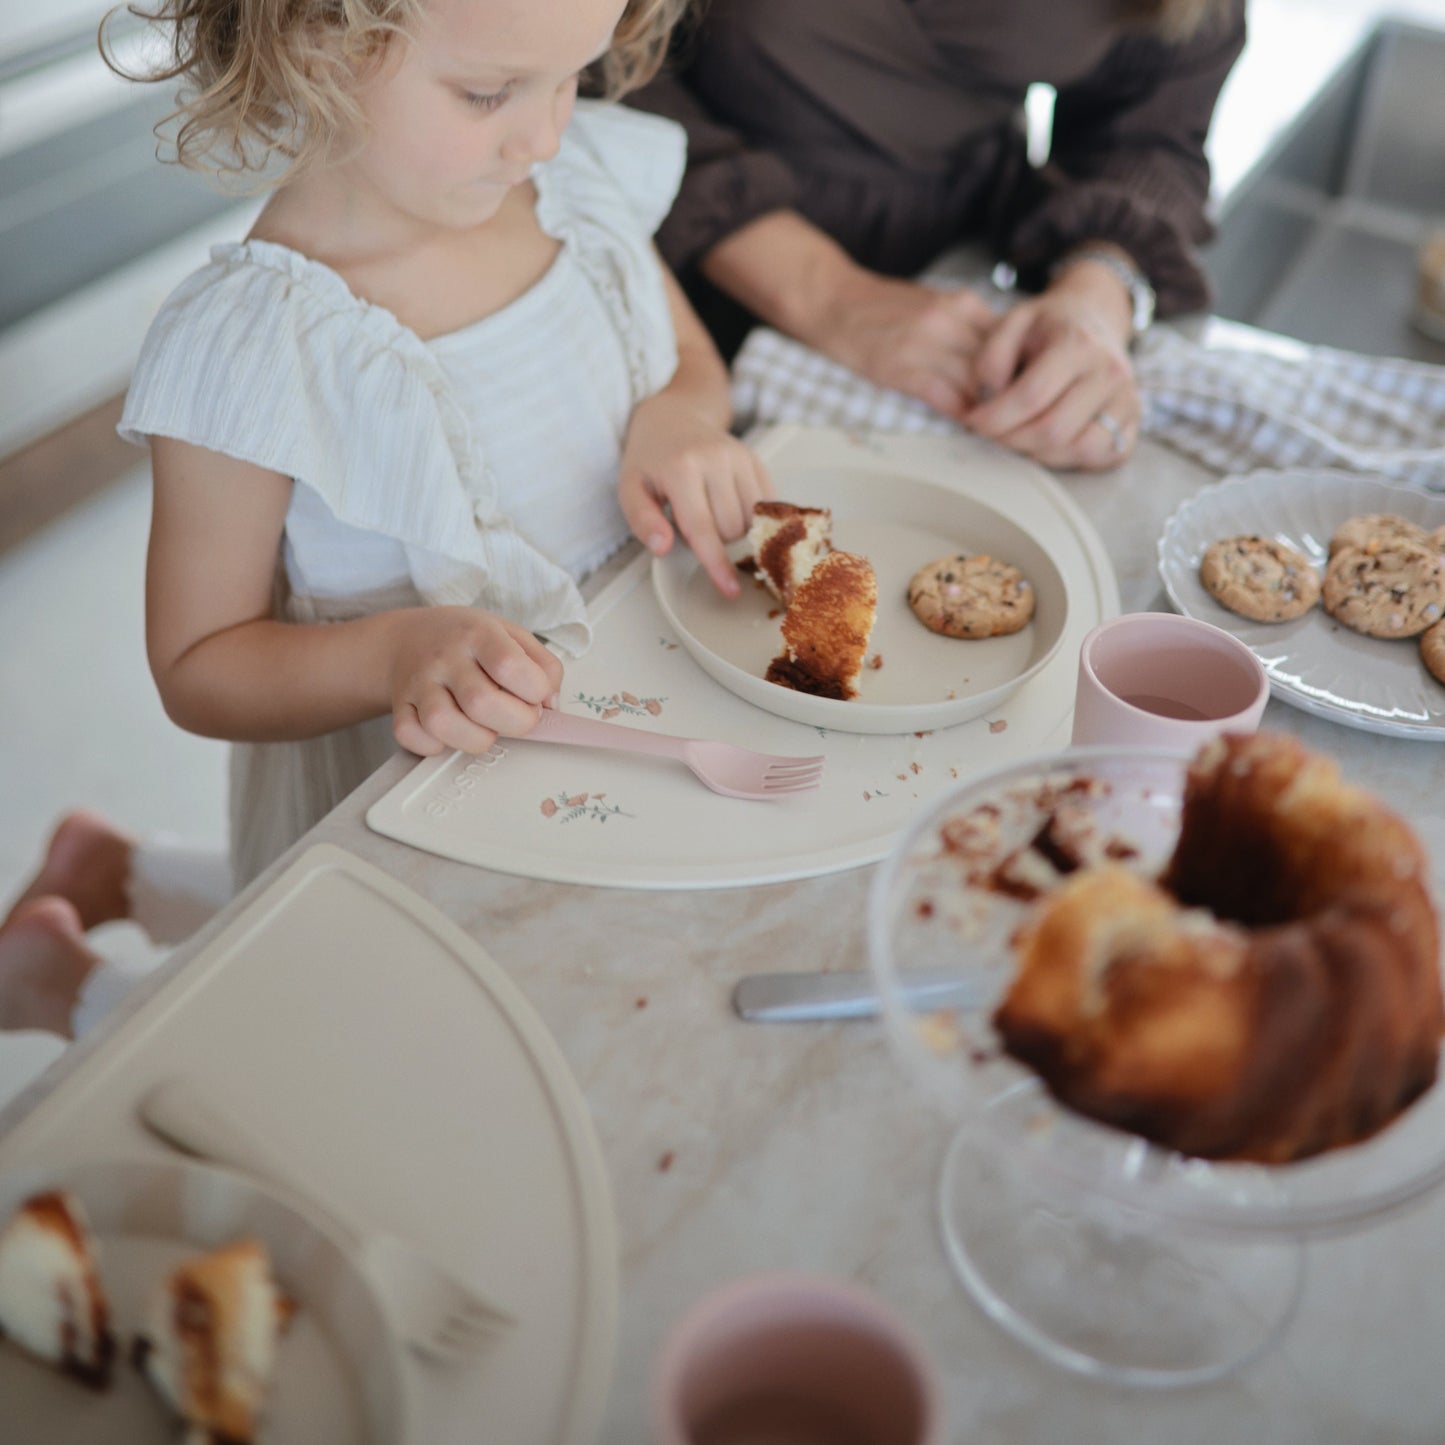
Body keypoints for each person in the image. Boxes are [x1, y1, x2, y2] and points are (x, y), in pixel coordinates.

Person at [0, 0, 771, 1040]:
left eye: (570, 77)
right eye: (490, 93)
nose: (544, 130)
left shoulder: (573, 182)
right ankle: (61, 984)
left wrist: (676, 420)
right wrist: (396, 649)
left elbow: (686, 359)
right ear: (316, 39)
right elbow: (198, 659)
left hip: (605, 723)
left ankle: (119, 870)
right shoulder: (257, 342)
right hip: (409, 769)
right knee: (360, 1029)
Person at [627, 0, 1248, 471]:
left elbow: (1152, 122)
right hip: (658, 253)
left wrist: (1099, 286)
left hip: (955, 267)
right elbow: (579, 57)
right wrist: (820, 289)